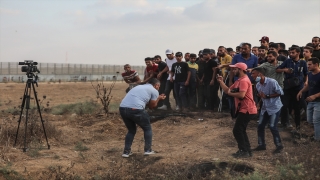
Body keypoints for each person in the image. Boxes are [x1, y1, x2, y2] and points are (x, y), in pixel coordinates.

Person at [217, 63, 257, 158]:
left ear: (241, 70)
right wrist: (221, 82)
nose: (233, 71)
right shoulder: (239, 80)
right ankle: (247, 150)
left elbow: (241, 95)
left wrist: (230, 94)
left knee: (237, 130)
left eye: (235, 69)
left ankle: (244, 151)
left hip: (247, 109)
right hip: (245, 108)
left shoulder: (243, 81)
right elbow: (227, 91)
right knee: (241, 130)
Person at [119, 78, 166, 157]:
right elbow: (152, 106)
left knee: (131, 130)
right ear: (156, 85)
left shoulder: (138, 87)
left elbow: (142, 100)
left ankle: (126, 152)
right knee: (147, 128)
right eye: (159, 86)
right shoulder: (154, 90)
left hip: (123, 108)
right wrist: (158, 98)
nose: (159, 88)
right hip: (136, 109)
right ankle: (148, 150)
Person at [251, 67, 284, 153]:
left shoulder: (272, 82)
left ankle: (279, 146)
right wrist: (259, 103)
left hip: (274, 107)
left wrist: (267, 96)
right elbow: (263, 96)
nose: (252, 75)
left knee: (273, 126)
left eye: (253, 73)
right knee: (260, 126)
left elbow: (280, 92)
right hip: (265, 107)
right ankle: (261, 145)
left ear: (260, 74)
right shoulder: (258, 85)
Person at [276, 47, 308, 131]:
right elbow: (277, 69)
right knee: (284, 105)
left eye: (293, 52)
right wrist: (285, 70)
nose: (291, 54)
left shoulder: (303, 62)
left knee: (297, 107)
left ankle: (298, 127)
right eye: (290, 52)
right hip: (288, 87)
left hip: (298, 88)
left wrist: (306, 82)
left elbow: (306, 73)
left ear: (298, 53)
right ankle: (284, 124)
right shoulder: (287, 61)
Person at [259, 51, 290, 128]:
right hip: (269, 89)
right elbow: (257, 68)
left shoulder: (282, 64)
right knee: (266, 105)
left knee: (284, 106)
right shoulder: (265, 64)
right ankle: (265, 122)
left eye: (270, 56)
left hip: (280, 88)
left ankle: (285, 123)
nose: (268, 58)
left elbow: (289, 69)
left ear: (276, 56)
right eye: (268, 56)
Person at [297, 58, 320, 140]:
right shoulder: (310, 74)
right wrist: (301, 91)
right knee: (310, 120)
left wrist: (315, 96)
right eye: (308, 64)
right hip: (310, 101)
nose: (308, 66)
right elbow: (308, 86)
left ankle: (317, 138)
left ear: (316, 64)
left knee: (316, 120)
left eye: (310, 64)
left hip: (318, 102)